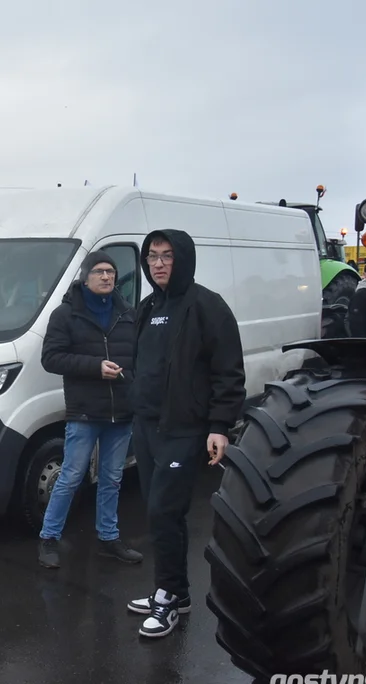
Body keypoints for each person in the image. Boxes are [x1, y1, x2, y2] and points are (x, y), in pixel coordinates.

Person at [127, 229, 246, 638]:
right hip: (146, 426)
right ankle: (173, 592)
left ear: (184, 260)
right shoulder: (146, 308)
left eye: (167, 256)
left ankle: (170, 597)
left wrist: (219, 426)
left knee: (164, 510)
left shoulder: (207, 307)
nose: (158, 264)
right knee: (159, 512)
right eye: (152, 257)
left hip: (184, 428)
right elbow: (140, 361)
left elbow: (228, 370)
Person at [37, 251, 144, 568]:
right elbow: (51, 358)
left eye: (111, 272)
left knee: (112, 479)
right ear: (85, 277)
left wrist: (133, 383)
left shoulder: (128, 314)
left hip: (121, 412)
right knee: (70, 477)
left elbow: (140, 359)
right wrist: (95, 367)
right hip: (85, 411)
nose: (107, 277)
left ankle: (108, 538)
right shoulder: (65, 315)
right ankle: (49, 538)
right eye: (99, 272)